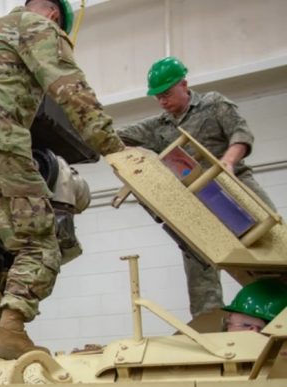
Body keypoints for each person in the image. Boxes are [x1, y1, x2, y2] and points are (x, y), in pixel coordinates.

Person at [0, 0, 125, 370]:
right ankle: (11, 329)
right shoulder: (40, 26)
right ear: (53, 14)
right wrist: (111, 145)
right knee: (39, 242)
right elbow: (68, 87)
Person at [118, 57, 279, 318]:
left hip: (234, 184)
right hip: (197, 200)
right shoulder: (159, 127)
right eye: (157, 97)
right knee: (198, 259)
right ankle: (209, 319)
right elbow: (116, 135)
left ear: (184, 84)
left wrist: (227, 162)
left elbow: (241, 134)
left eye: (167, 94)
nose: (163, 101)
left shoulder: (213, 104)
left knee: (271, 239)